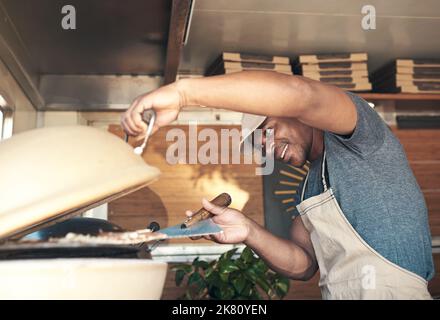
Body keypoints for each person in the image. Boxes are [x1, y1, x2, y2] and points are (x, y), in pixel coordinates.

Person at [121, 71, 434, 299]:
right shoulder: (307, 188)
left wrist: (183, 93)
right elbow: (303, 263)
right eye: (260, 146)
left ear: (292, 114)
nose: (269, 149)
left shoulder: (362, 136)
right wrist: (248, 231)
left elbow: (303, 95)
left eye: (269, 130)